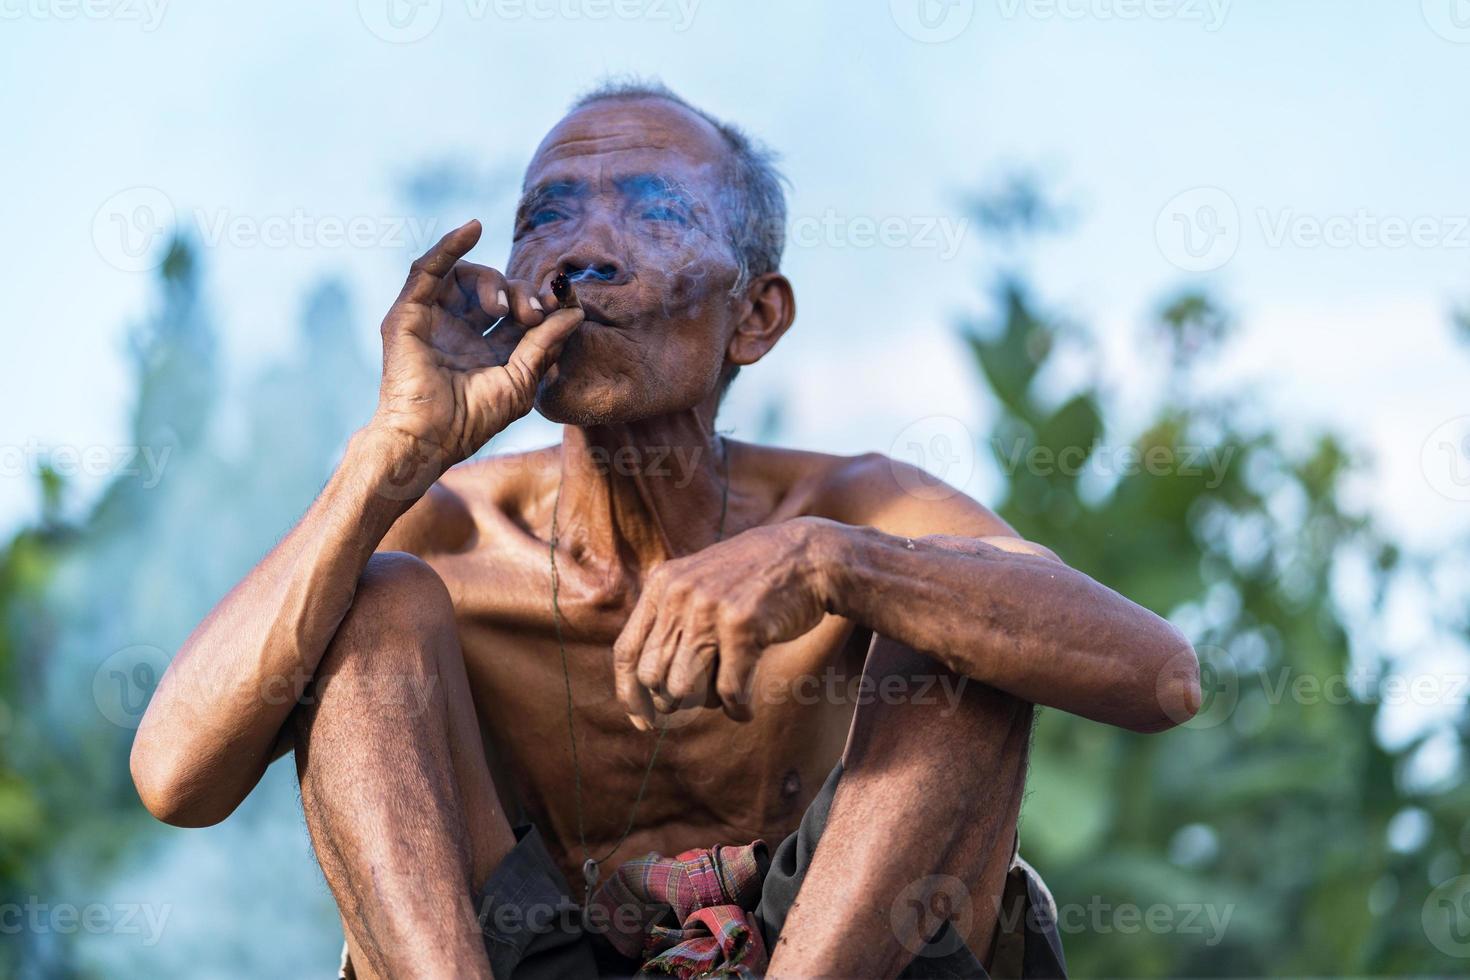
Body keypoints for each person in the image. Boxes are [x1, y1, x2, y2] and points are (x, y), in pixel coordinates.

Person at [130, 80, 1201, 979]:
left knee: (956, 604)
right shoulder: (446, 526)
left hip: (837, 957)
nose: (583, 251)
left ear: (756, 316)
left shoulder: (852, 507)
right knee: (379, 598)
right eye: (546, 217)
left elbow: (1161, 675)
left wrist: (837, 561)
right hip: (523, 951)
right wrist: (389, 457)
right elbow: (175, 774)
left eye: (648, 211)